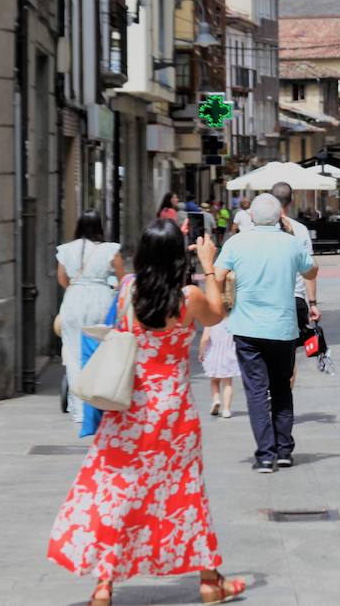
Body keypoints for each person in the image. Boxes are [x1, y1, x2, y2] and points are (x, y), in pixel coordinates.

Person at [49, 220, 242, 605]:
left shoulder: (127, 291)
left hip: (130, 405)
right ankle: (209, 581)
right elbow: (218, 314)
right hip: (174, 409)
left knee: (117, 491)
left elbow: (119, 331)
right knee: (185, 491)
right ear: (177, 255)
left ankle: (103, 586)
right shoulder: (188, 298)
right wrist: (208, 265)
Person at [211, 194, 318, 472]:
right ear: (279, 216)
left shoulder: (236, 242)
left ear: (251, 217)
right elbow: (311, 271)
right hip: (283, 328)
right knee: (282, 386)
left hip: (247, 329)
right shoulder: (291, 243)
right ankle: (284, 450)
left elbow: (218, 274)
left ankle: (265, 455)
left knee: (257, 392)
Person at [53, 212, 124, 425]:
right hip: (101, 298)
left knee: (74, 355)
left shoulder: (66, 250)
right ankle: (99, 405)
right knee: (99, 353)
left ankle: (80, 410)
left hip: (74, 299)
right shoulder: (110, 249)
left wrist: (77, 288)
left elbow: (62, 278)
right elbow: (122, 278)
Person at [269, 182, 318, 390]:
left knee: (267, 350)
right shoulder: (301, 230)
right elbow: (309, 271)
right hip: (295, 300)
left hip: (266, 299)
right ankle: (284, 399)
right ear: (291, 201)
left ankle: (271, 391)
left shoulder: (257, 230)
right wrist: (313, 302)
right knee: (289, 354)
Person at [198, 314, 238, 419]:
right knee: (228, 383)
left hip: (213, 354)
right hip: (229, 355)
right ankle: (226, 409)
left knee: (214, 381)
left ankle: (216, 400)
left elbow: (205, 338)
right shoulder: (233, 319)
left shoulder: (211, 320)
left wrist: (201, 352)